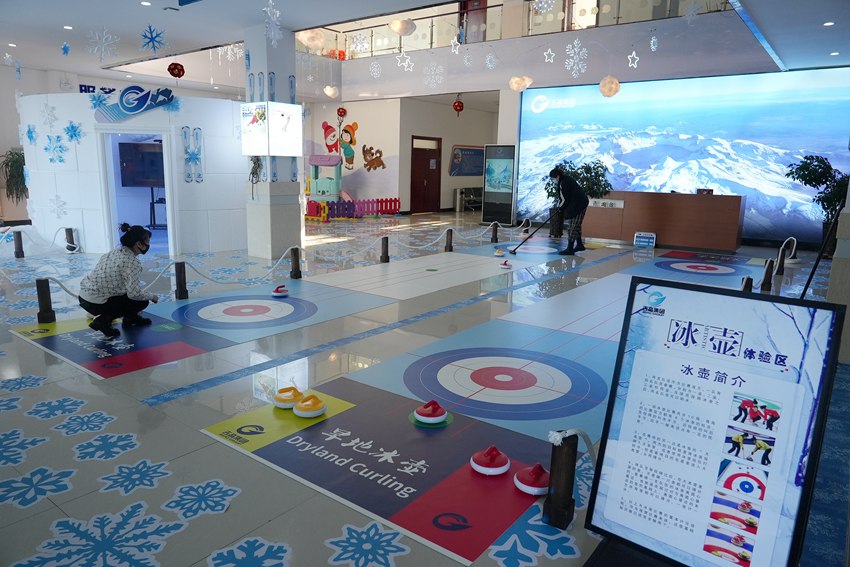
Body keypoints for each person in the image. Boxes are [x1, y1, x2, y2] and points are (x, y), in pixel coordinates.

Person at [78, 223, 159, 337]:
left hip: (83, 297)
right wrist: (152, 296)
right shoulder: (132, 262)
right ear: (139, 244)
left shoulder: (113, 252)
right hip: (97, 302)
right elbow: (134, 294)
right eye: (147, 241)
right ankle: (103, 321)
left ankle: (130, 318)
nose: (148, 244)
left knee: (128, 294)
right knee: (142, 301)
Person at [549, 168, 589, 255]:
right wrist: (560, 207)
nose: (553, 180)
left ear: (557, 176)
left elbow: (565, 199)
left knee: (572, 227)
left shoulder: (564, 183)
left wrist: (560, 208)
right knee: (575, 225)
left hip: (579, 205)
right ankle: (579, 245)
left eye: (553, 178)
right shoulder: (565, 180)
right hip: (577, 204)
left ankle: (570, 248)